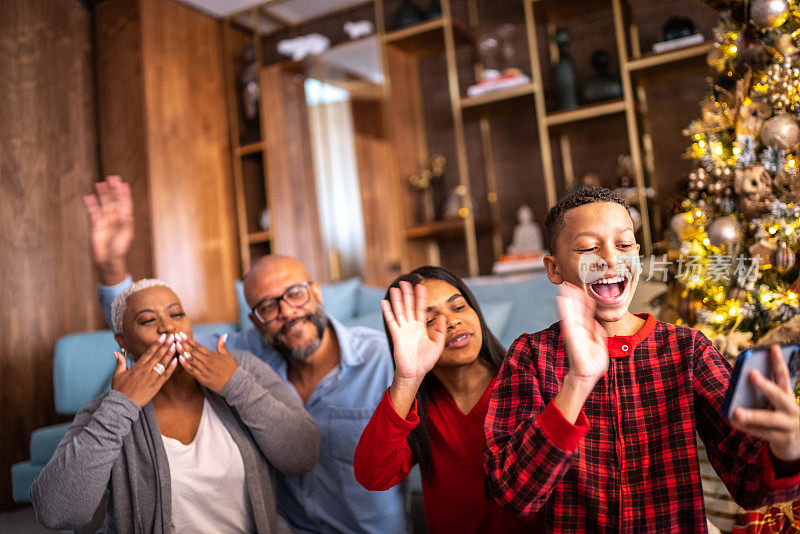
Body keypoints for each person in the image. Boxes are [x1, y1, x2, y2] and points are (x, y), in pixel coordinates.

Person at [83, 176, 406, 534]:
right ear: (254, 319)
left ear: (316, 291)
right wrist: (113, 266)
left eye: (295, 293)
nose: (287, 312)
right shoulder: (242, 355)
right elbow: (164, 335)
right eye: (268, 306)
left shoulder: (384, 358)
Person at [483, 186, 800, 532]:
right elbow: (512, 492)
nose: (610, 258)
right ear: (554, 268)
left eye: (623, 245)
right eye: (589, 248)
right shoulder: (531, 356)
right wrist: (576, 384)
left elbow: (750, 482)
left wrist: (786, 448)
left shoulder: (687, 349)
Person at [31, 279, 319, 532]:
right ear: (123, 342)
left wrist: (235, 385)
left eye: (177, 315)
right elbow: (56, 513)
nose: (168, 327)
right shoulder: (108, 410)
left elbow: (304, 454)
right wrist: (120, 406)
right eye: (147, 321)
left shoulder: (240, 369)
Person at [353, 266, 542, 533]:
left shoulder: (526, 383)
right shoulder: (418, 411)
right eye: (430, 320)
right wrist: (407, 378)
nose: (451, 321)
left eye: (459, 307)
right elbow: (373, 475)